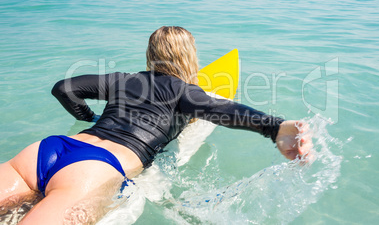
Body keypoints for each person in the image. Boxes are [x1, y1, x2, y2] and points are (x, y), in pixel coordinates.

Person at [0, 26, 312, 224]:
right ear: (190, 58)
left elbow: (64, 89)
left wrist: (89, 118)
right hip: (95, 169)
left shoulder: (123, 79)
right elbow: (220, 109)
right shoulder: (185, 91)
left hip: (46, 150)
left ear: (150, 55)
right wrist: (274, 128)